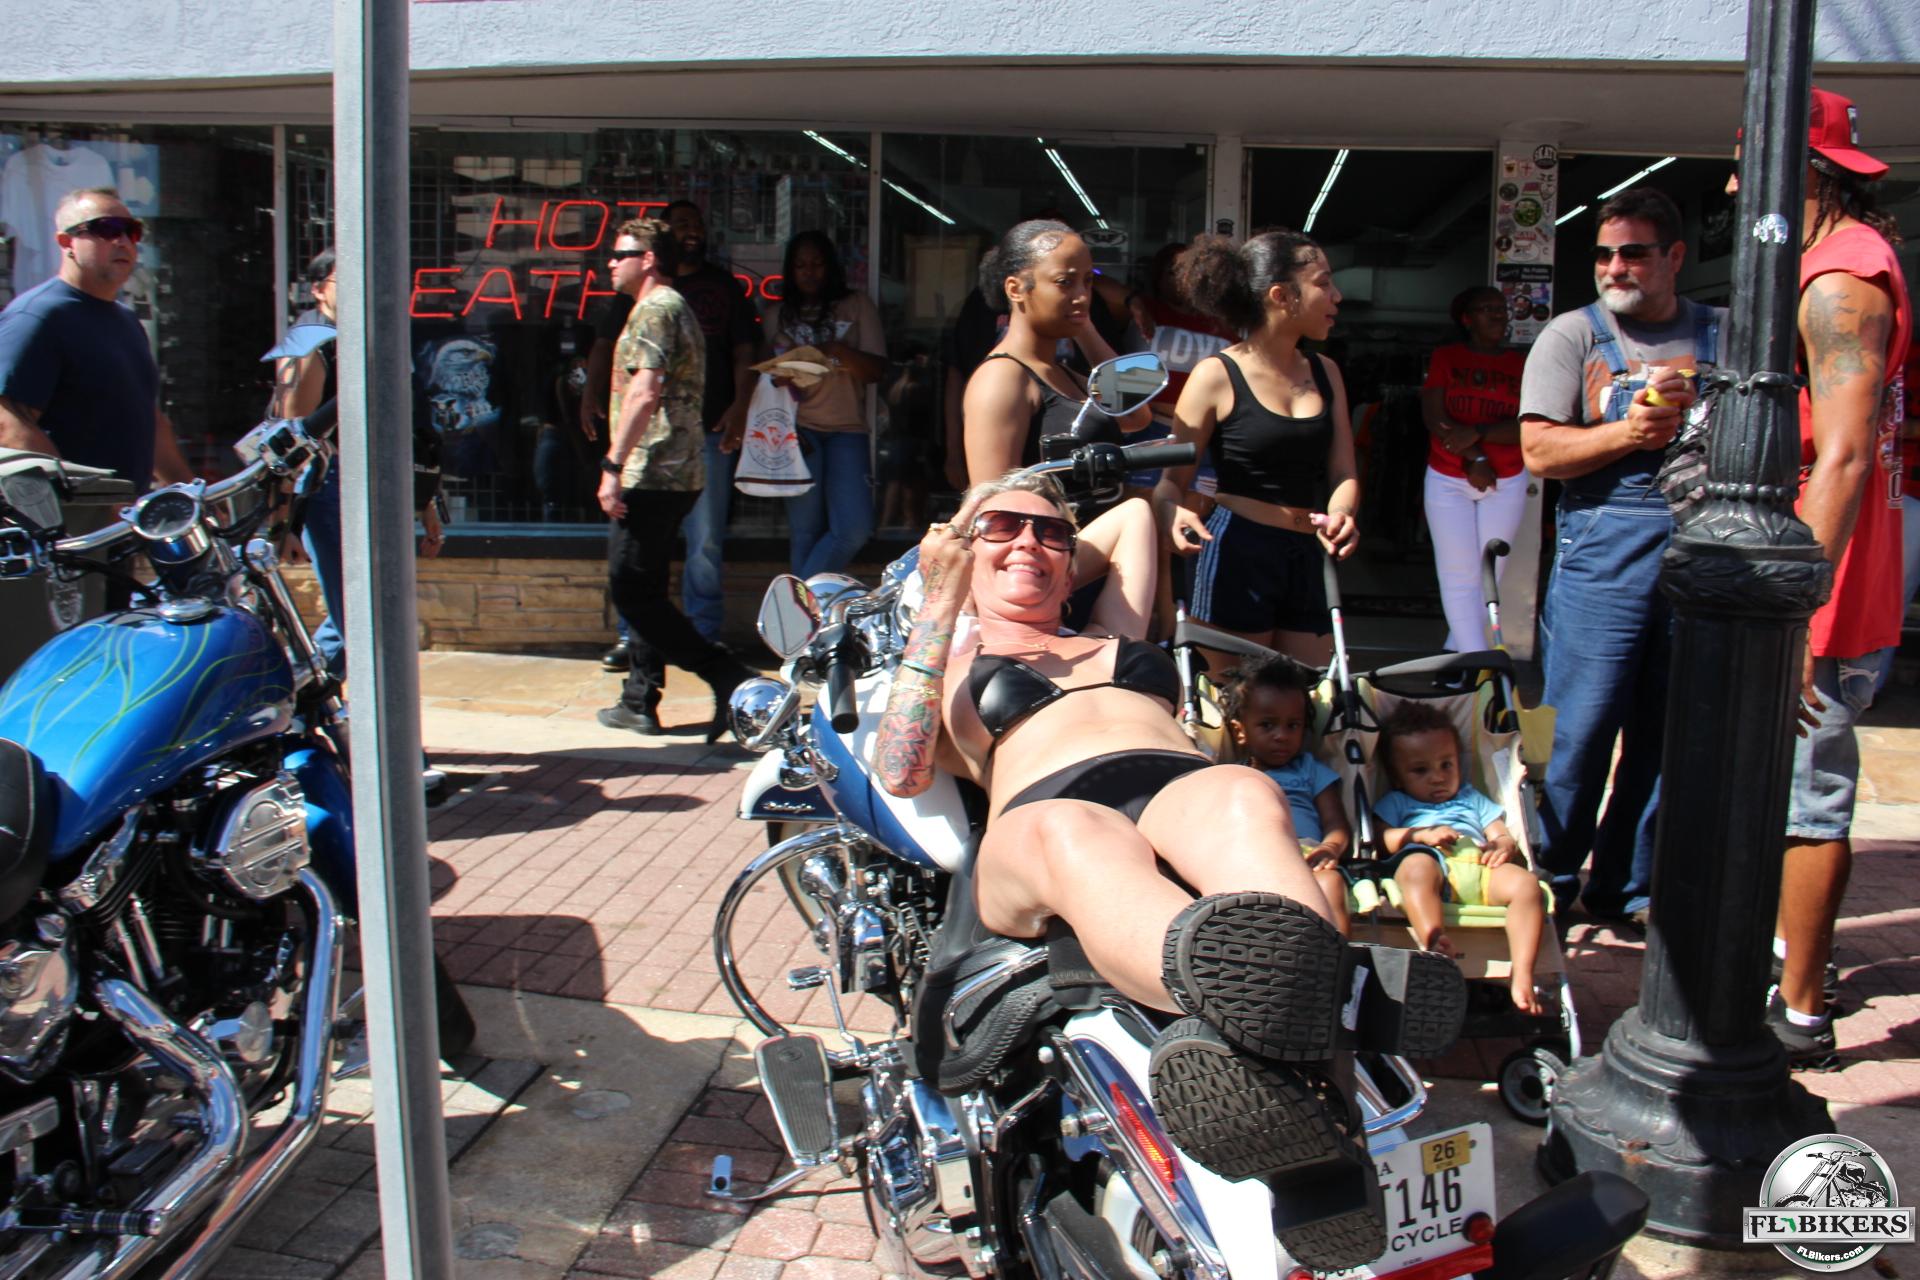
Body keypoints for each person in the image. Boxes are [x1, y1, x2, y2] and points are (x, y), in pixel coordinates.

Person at [874, 474, 1465, 1271]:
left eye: (1051, 534)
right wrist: (943, 589)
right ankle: (1325, 993)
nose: (1030, 543)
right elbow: (901, 770)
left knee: (1244, 790)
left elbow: (1129, 519)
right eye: (1003, 529)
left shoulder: (1110, 631)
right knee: (1075, 833)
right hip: (1048, 810)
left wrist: (1023, 532)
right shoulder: (950, 655)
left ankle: (1325, 1151)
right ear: (960, 552)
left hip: (1181, 787)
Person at [1739, 89, 1911, 1065]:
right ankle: (1786, 962)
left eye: (1749, 162)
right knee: (1784, 794)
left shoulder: (1844, 277)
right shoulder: (1833, 263)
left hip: (1826, 594)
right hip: (1823, 574)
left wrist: (1798, 612)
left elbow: (1843, 454)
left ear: (1801, 170)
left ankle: (1800, 1013)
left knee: (1808, 801)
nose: (1736, 185)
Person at [1518, 188, 1728, 926]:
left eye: (1633, 253)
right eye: (1604, 254)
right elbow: (1538, 451)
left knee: (1668, 731)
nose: (1614, 267)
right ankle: (1548, 876)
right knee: (1576, 725)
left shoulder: (1724, 335)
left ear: (1676, 256)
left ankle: (1628, 887)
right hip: (1604, 550)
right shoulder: (1573, 337)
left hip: (1705, 549)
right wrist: (1628, 433)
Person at [1154, 229, 1362, 668]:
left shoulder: (1326, 371)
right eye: (1323, 283)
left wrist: (1342, 513)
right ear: (1281, 296)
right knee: (1230, 699)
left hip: (1308, 554)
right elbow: (1171, 483)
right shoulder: (1216, 374)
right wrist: (1172, 511)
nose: (1337, 296)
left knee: (1309, 694)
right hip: (1237, 551)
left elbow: (1344, 472)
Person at [594, 217, 755, 737]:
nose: (611, 263)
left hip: (652, 471)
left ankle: (727, 675)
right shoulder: (670, 306)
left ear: (648, 260)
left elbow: (645, 391)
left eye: (620, 254)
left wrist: (613, 465)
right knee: (647, 587)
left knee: (630, 590)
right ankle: (639, 698)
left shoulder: (656, 308)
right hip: (674, 469)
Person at [271, 247, 447, 681]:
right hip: (331, 489)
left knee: (363, 615)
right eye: (344, 279)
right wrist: (285, 521)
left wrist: (425, 502)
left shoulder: (374, 340)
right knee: (362, 617)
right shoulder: (312, 344)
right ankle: (302, 700)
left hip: (375, 485)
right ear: (318, 290)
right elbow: (294, 444)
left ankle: (303, 699)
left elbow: (402, 430)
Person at [0, 187, 191, 493]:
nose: (123, 241)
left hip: (126, 515)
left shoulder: (127, 321)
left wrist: (190, 493)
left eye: (132, 231)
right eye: (106, 229)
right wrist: (92, 502)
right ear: (66, 242)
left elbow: (149, 422)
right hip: (73, 519)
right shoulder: (37, 317)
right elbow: (10, 425)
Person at [1371, 701, 1546, 1016]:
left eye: (1446, 765)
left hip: (1479, 866)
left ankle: (1522, 973)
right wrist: (1418, 836)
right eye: (1421, 770)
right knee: (1415, 869)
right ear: (1397, 777)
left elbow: (1500, 833)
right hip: (1431, 864)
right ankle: (1434, 942)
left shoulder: (1471, 798)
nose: (1437, 777)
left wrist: (1503, 845)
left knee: (1527, 886)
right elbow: (1381, 840)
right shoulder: (1397, 802)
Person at [961, 219, 1153, 486]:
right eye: (1064, 282)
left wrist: (1084, 326)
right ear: (1016, 289)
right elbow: (995, 500)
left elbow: (1135, 415)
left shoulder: (1060, 374)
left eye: (1087, 282)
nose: (1082, 296)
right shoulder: (1002, 378)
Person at [661, 199, 760, 642]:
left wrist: (740, 406)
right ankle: (639, 631)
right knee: (649, 536)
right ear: (664, 232)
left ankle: (702, 630)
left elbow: (744, 351)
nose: (692, 231)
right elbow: (609, 347)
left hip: (710, 430)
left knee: (704, 539)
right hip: (655, 434)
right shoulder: (651, 285)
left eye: (697, 223)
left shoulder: (723, 286)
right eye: (682, 224)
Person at [764, 230, 886, 576]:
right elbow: (763, 377)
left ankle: (800, 601)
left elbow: (876, 371)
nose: (809, 272)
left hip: (847, 429)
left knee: (854, 529)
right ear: (790, 270)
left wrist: (837, 350)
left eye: (817, 264)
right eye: (800, 265)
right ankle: (806, 610)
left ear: (831, 266)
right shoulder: (777, 314)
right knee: (804, 532)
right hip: (796, 431)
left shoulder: (857, 305)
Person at [1421, 285, 1530, 652]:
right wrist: (1476, 457)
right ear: (1467, 320)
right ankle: (1475, 661)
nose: (1498, 314)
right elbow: (1436, 418)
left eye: (1501, 308)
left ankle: (1458, 656)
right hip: (1448, 477)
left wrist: (1478, 431)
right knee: (1457, 574)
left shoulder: (1522, 364)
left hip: (1508, 478)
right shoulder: (1447, 357)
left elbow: (1527, 425)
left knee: (1489, 571)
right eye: (1487, 309)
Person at [1221, 657, 1352, 938]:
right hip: (1257, 854)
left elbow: (1336, 823)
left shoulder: (1311, 771)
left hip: (1309, 857)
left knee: (1331, 883)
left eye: (1293, 725)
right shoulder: (1233, 776)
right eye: (1267, 725)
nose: (1281, 735)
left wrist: (1330, 848)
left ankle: (1338, 955)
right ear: (1240, 731)